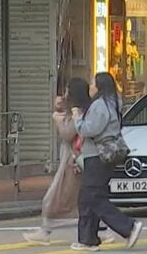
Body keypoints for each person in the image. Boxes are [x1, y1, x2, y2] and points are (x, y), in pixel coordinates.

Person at [24, 79, 115, 245]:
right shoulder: (79, 109)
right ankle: (98, 230)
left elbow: (68, 133)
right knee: (80, 200)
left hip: (73, 160)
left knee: (59, 197)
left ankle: (47, 230)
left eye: (67, 91)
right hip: (73, 159)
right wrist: (60, 109)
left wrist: (58, 120)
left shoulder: (80, 112)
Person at [73, 72, 143, 252]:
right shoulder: (113, 103)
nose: (90, 87)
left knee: (93, 196)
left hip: (97, 156)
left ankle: (127, 226)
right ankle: (88, 238)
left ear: (100, 87)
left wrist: (78, 119)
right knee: (89, 196)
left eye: (93, 84)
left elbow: (91, 129)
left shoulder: (100, 105)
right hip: (101, 155)